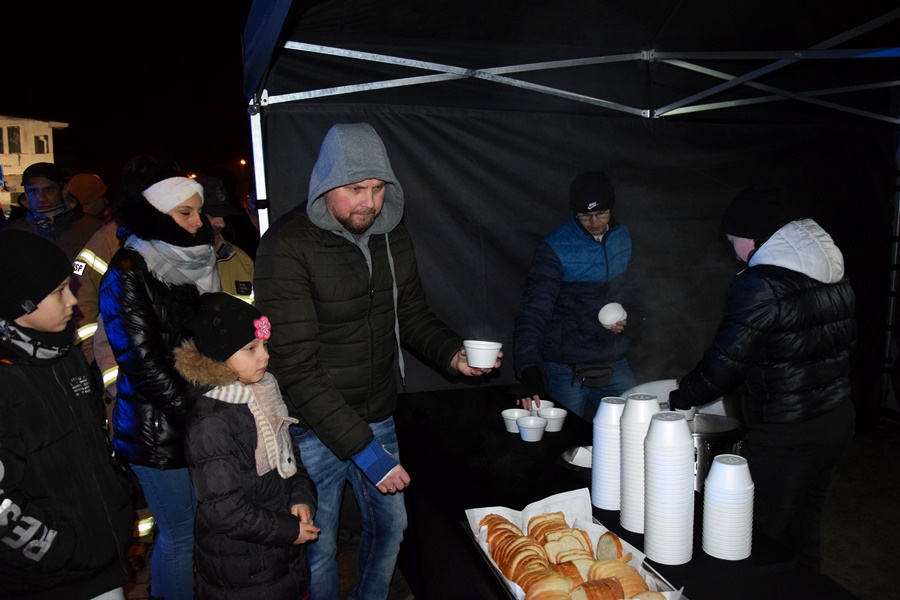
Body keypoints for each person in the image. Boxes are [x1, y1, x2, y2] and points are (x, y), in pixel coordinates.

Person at [254, 122, 500, 600]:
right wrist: (365, 451)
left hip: (378, 412)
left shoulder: (391, 235)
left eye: (378, 187)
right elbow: (294, 366)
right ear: (326, 185)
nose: (368, 201)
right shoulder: (286, 247)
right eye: (355, 189)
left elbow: (410, 314)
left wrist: (453, 354)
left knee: (392, 529)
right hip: (313, 424)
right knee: (319, 547)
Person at [668, 179, 856, 571]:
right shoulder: (830, 270)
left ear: (754, 236)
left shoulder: (762, 284)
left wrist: (680, 399)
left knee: (752, 535)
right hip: (836, 418)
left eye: (732, 239)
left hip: (786, 433)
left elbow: (725, 364)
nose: (733, 251)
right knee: (804, 530)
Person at [100, 175, 220, 600]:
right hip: (156, 428)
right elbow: (141, 360)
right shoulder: (129, 269)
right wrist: (195, 413)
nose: (195, 222)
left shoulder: (193, 259)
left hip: (193, 418)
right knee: (178, 533)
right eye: (183, 212)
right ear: (156, 216)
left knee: (193, 528)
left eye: (197, 211)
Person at [0, 230, 134, 599]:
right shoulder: (8, 381)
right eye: (59, 291)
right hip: (46, 577)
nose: (73, 300)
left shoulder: (66, 355)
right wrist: (60, 547)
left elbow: (92, 441)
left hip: (101, 561)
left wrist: (117, 504)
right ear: (20, 302)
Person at [175, 292, 319, 599]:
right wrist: (288, 531)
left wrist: (301, 497)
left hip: (279, 559)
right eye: (251, 348)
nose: (264, 356)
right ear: (219, 358)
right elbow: (224, 511)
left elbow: (291, 461)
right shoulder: (212, 422)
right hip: (243, 570)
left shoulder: (265, 393)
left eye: (264, 345)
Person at [513, 171, 642, 420]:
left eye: (601, 214)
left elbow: (634, 288)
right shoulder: (555, 247)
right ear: (574, 212)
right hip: (567, 366)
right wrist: (529, 368)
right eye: (585, 216)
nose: (594, 223)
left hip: (614, 360)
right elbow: (533, 311)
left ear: (612, 208)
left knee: (638, 427)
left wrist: (636, 318)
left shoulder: (623, 237)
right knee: (567, 441)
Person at [4, 162, 103, 261]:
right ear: (26, 194)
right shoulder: (12, 233)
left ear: (64, 190)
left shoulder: (93, 228)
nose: (42, 198)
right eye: (34, 191)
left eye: (49, 190)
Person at [196, 174, 255, 303]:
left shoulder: (241, 261)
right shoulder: (172, 263)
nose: (221, 223)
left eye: (223, 215)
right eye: (212, 215)